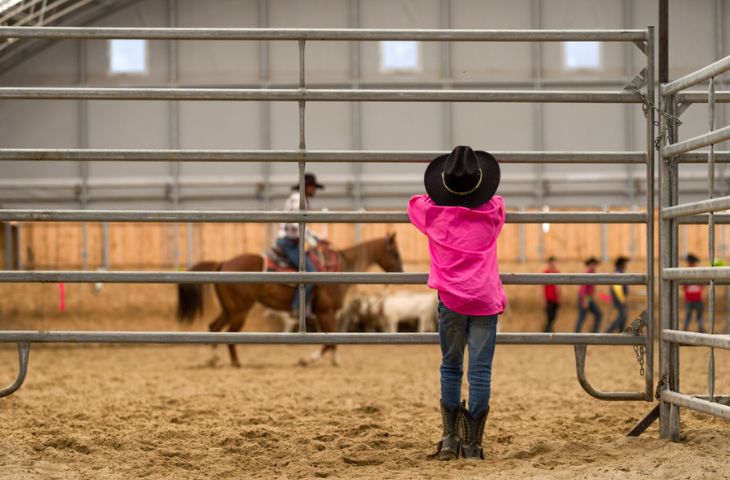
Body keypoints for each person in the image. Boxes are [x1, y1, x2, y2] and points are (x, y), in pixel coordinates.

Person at [408, 145, 505, 461]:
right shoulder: (492, 214)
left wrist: (440, 197)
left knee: (450, 366)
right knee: (480, 372)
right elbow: (497, 201)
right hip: (485, 301)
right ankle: (473, 445)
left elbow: (415, 203)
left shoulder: (433, 215)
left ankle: (449, 439)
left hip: (450, 300)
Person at [276, 172, 324, 318]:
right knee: (311, 274)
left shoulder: (299, 199)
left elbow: (302, 225)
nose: (314, 190)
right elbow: (295, 223)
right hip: (289, 243)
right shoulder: (298, 200)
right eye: (312, 187)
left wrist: (316, 238)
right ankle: (296, 307)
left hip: (292, 241)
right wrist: (312, 241)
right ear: (307, 187)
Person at [574, 257, 602, 333]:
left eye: (595, 264)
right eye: (593, 264)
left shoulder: (592, 273)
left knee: (586, 316)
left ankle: (592, 331)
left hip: (588, 298)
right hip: (586, 298)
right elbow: (583, 288)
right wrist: (585, 300)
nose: (594, 266)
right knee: (583, 316)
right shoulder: (588, 273)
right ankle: (578, 333)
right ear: (590, 265)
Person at [605, 256, 629, 333]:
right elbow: (617, 288)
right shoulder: (618, 273)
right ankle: (610, 330)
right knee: (622, 315)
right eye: (625, 263)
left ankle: (621, 331)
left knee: (623, 315)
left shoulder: (619, 272)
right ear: (621, 264)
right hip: (618, 297)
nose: (626, 265)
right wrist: (622, 298)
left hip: (619, 297)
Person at [683, 253, 705, 333]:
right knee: (693, 316)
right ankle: (700, 330)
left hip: (694, 298)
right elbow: (702, 285)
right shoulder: (696, 272)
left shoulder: (686, 272)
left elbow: (684, 286)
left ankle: (686, 330)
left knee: (694, 316)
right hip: (694, 298)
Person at [543, 256, 560, 333]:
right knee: (549, 316)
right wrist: (544, 300)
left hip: (555, 299)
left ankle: (548, 328)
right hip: (548, 299)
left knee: (554, 316)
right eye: (552, 262)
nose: (553, 264)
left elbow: (558, 287)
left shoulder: (557, 272)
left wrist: (560, 297)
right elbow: (543, 288)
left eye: (554, 262)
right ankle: (547, 329)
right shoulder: (545, 273)